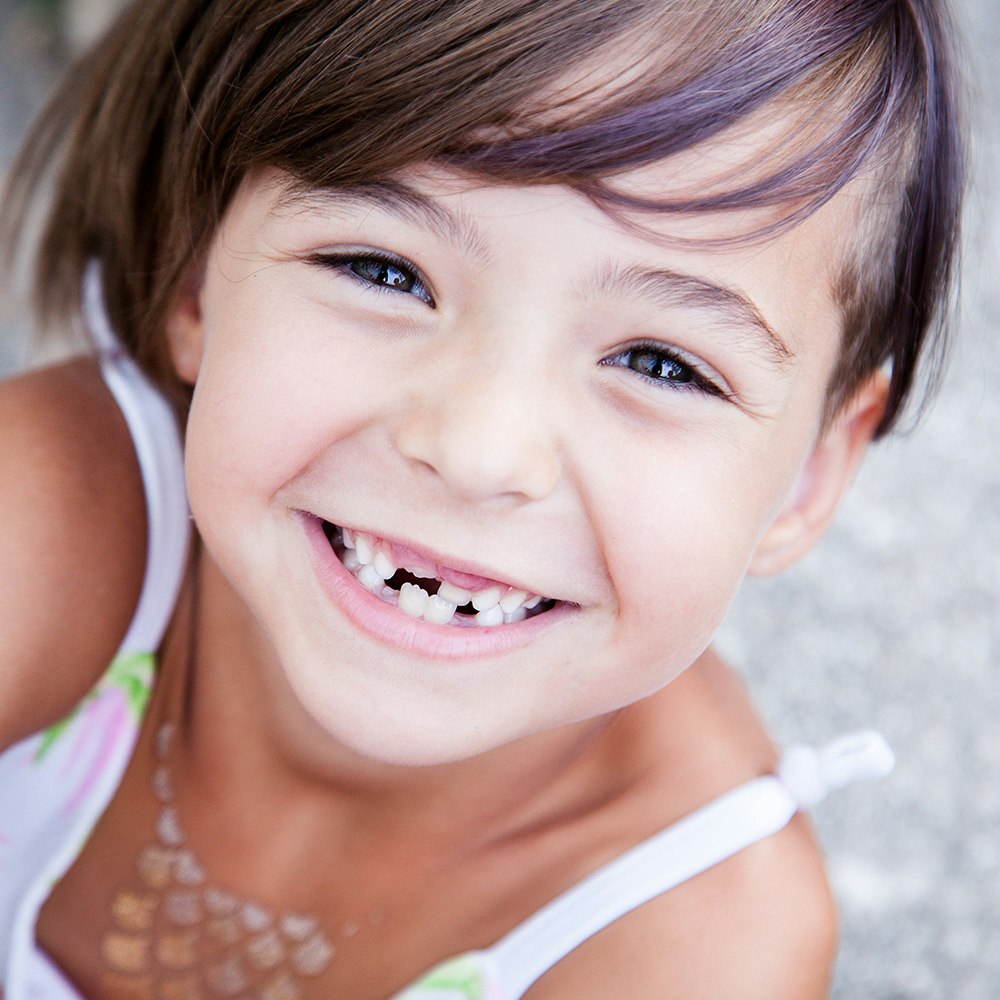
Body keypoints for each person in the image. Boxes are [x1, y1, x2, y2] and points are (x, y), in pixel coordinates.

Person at [0, 0, 964, 997]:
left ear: (810, 473)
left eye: (660, 364)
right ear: (199, 275)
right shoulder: (47, 520)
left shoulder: (696, 938)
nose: (476, 449)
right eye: (383, 270)